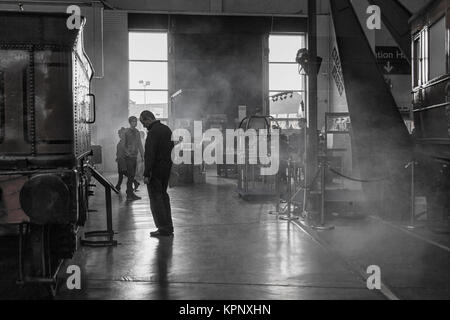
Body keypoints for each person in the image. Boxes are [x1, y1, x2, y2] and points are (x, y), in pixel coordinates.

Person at [140, 111, 174, 237]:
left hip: (155, 171)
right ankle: (168, 227)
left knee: (156, 199)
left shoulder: (153, 133)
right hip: (166, 170)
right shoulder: (167, 130)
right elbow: (172, 151)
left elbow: (150, 155)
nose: (143, 126)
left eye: (143, 122)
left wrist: (147, 173)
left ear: (148, 119)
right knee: (164, 197)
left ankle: (163, 228)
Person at [124, 116, 144, 201]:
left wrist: (142, 155)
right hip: (129, 157)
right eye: (133, 121)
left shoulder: (137, 132)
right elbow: (123, 144)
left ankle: (130, 193)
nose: (135, 123)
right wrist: (127, 152)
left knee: (132, 176)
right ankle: (129, 194)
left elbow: (139, 144)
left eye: (136, 121)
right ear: (130, 122)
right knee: (131, 175)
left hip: (134, 156)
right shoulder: (126, 132)